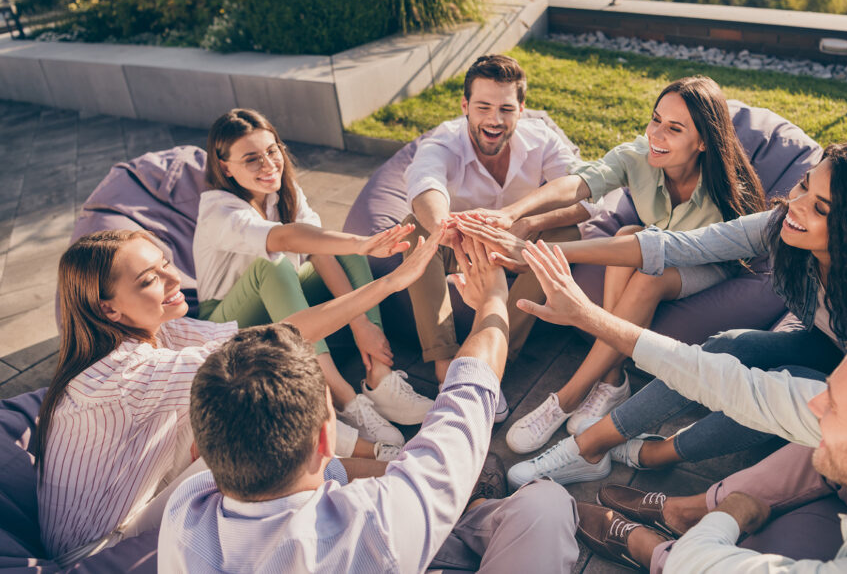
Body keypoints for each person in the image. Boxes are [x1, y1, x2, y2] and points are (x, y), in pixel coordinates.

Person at [458, 139, 847, 486]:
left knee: (775, 381)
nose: (796, 206)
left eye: (822, 208)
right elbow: (676, 247)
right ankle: (591, 449)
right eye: (803, 188)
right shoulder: (783, 227)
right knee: (729, 345)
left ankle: (651, 454)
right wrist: (540, 253)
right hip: (836, 345)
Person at [518, 242, 847, 572]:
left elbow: (704, 565)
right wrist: (592, 317)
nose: (815, 401)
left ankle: (648, 546)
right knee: (801, 424)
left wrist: (732, 515)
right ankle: (679, 507)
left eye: (835, 403)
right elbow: (738, 386)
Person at [159, 238, 580, 573]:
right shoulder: (376, 522)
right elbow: (467, 395)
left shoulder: (184, 511)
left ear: (202, 451)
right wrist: (492, 299)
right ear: (329, 437)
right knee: (545, 503)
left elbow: (334, 473)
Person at [36, 226, 442, 565]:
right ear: (108, 310)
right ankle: (407, 483)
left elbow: (260, 339)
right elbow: (280, 336)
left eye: (165, 264)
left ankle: (387, 467)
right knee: (259, 439)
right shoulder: (127, 374)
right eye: (150, 280)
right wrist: (391, 283)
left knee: (247, 414)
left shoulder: (165, 330)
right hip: (102, 549)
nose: (175, 279)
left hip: (143, 497)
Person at [477, 76, 765, 454]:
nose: (656, 134)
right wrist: (513, 213)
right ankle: (613, 378)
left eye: (674, 129)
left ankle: (565, 398)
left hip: (709, 261)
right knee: (629, 230)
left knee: (648, 278)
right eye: (655, 119)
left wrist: (537, 252)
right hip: (650, 244)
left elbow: (665, 250)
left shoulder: (723, 191)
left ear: (703, 142)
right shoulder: (638, 155)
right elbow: (579, 183)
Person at [195, 108, 434, 452]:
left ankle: (379, 377)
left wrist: (361, 324)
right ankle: (343, 398)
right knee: (275, 265)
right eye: (251, 159)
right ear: (225, 167)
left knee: (340, 247)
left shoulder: (284, 190)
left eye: (271, 150)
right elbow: (286, 240)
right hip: (227, 323)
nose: (268, 165)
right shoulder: (219, 211)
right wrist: (361, 243)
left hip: (284, 306)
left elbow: (320, 250)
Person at [402, 54, 582, 398]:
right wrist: (449, 231)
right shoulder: (444, 141)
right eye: (483, 107)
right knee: (415, 229)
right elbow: (424, 185)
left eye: (506, 109)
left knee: (567, 235)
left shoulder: (542, 139)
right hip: (461, 247)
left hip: (520, 248)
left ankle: (494, 362)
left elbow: (585, 199)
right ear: (465, 106)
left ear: (522, 108)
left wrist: (526, 222)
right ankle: (445, 368)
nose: (494, 120)